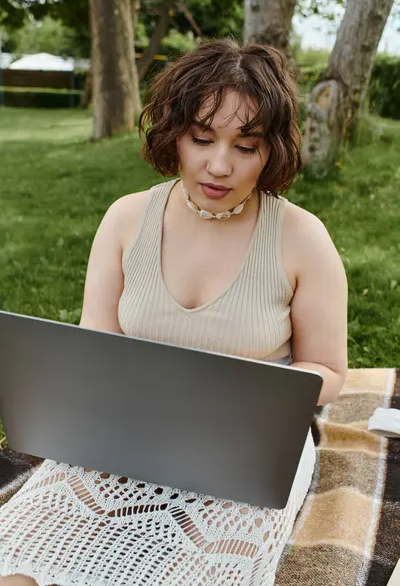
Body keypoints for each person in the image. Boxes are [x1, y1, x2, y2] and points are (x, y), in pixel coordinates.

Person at [0, 38, 348, 586]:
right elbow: (97, 344)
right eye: (201, 138)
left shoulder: (304, 238)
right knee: (22, 565)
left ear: (273, 150)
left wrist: (239, 390)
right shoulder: (125, 219)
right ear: (173, 135)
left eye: (246, 146)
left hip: (248, 449)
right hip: (123, 432)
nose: (219, 165)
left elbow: (328, 372)